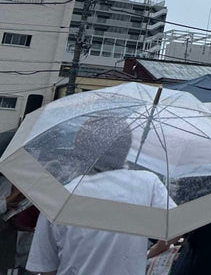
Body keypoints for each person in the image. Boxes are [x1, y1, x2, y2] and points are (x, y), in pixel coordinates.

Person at [26, 116, 173, 275]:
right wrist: (153, 251)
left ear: (80, 150)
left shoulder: (59, 197)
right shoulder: (147, 183)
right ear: (126, 147)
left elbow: (44, 267)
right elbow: (175, 227)